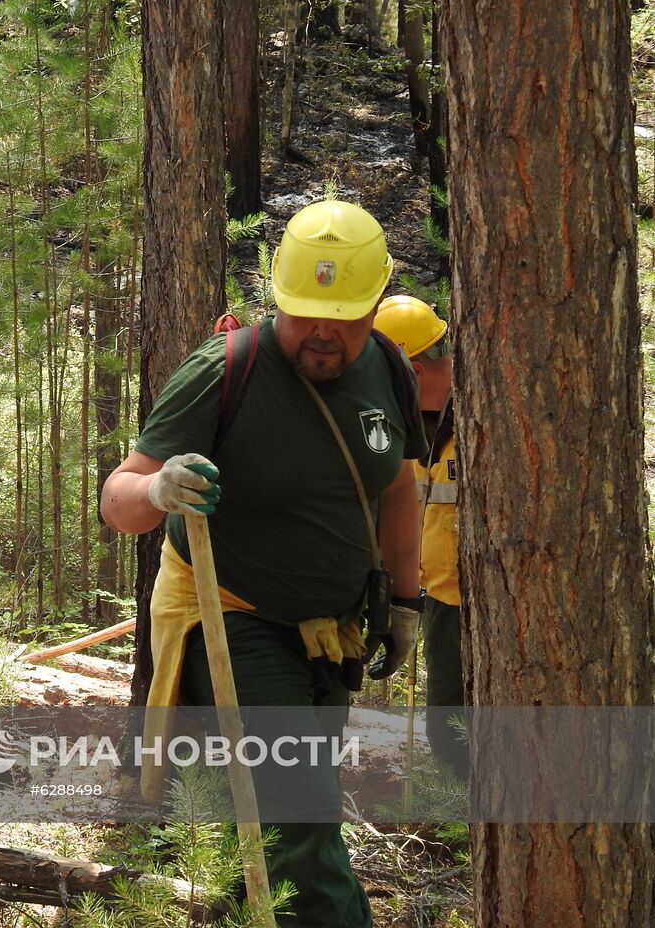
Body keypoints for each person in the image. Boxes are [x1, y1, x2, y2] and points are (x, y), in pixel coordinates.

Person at [101, 200, 428, 928]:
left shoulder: (386, 368)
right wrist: (157, 487)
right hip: (234, 623)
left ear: (375, 302)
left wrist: (405, 601)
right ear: (276, 297)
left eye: (341, 315)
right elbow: (118, 500)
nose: (321, 332)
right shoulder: (225, 370)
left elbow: (398, 486)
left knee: (260, 815)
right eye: (304, 312)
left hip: (331, 635)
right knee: (296, 824)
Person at [372, 294, 465, 777]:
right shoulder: (406, 426)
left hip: (484, 602)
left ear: (414, 369)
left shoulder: (481, 417)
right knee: (447, 726)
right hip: (439, 599)